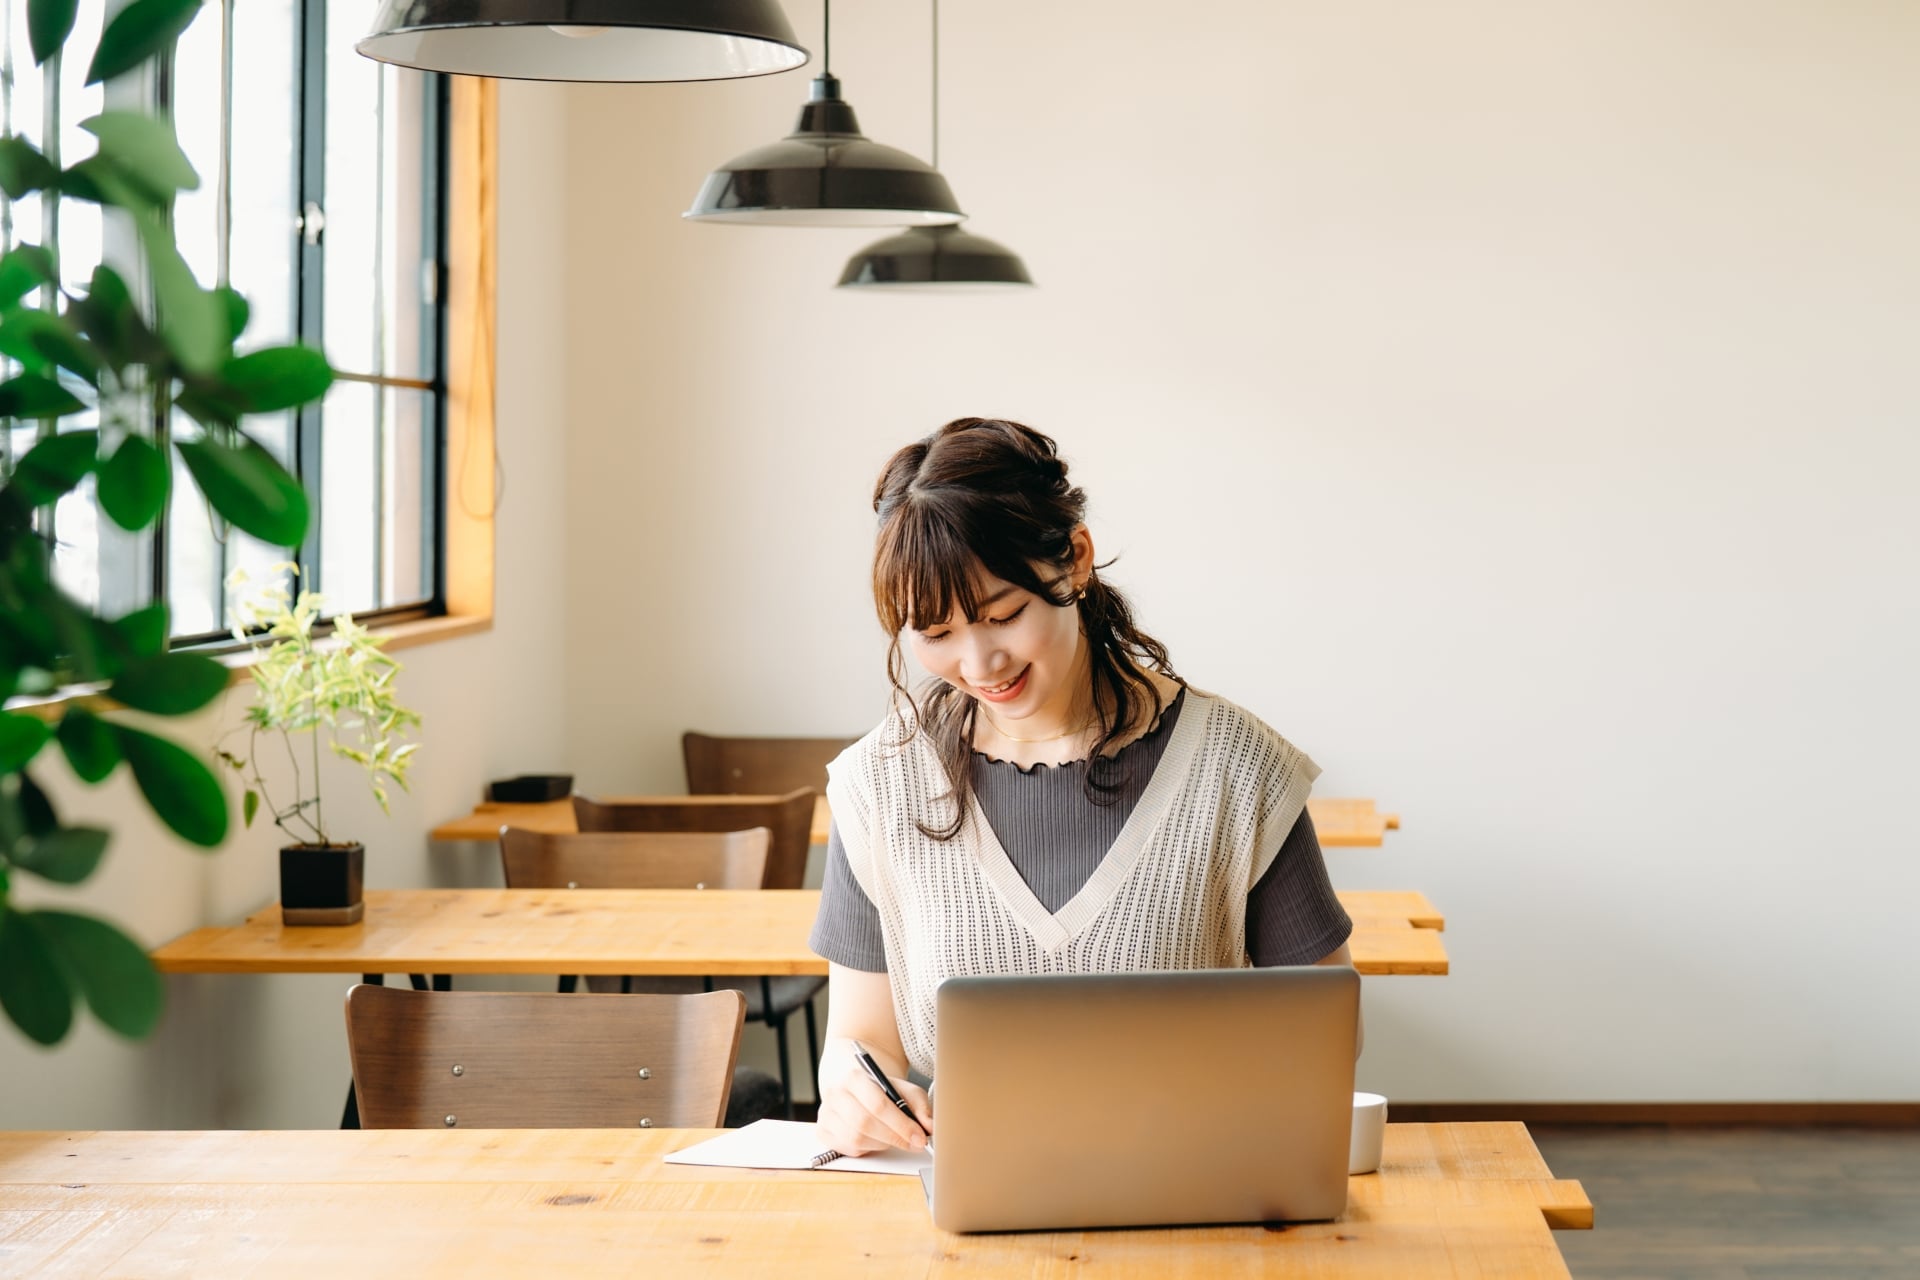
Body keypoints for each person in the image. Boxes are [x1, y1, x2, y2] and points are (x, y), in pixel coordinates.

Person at [808, 417, 1357, 1156]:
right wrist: (850, 1088)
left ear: (1076, 561)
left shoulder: (1232, 766)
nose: (979, 664)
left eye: (1004, 615)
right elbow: (859, 1039)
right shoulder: (879, 784)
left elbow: (1329, 1031)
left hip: (1192, 1194)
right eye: (934, 635)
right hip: (964, 1211)